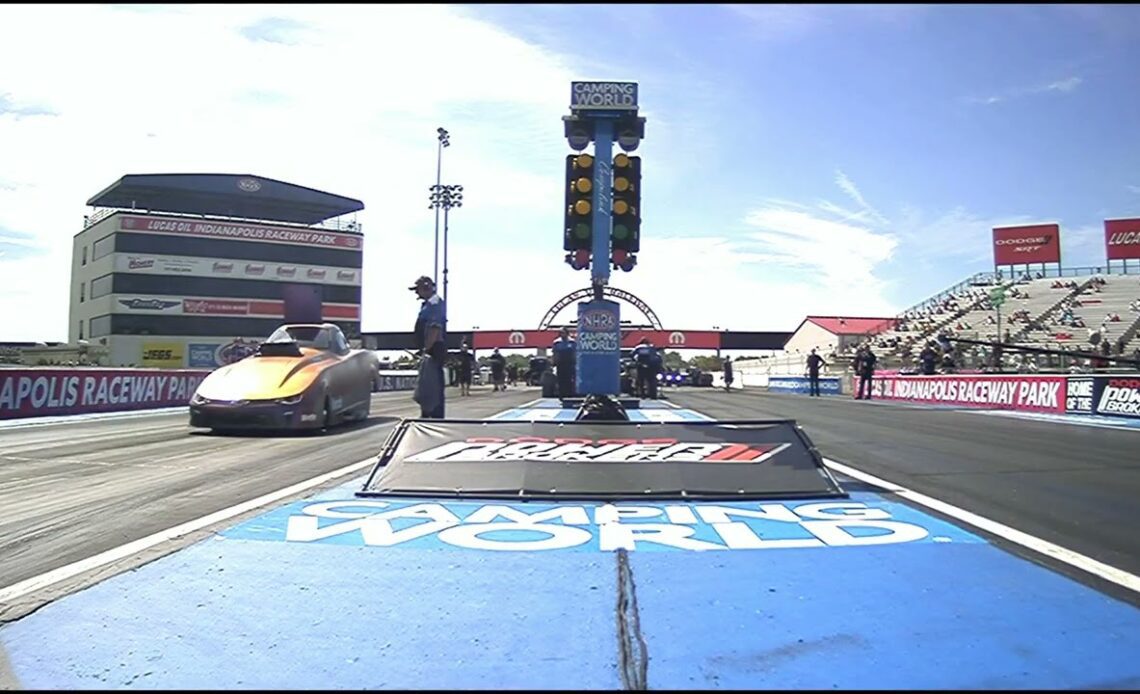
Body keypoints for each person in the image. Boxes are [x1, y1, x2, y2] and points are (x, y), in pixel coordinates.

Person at [409, 275, 446, 418]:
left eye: (418, 289)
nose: (416, 293)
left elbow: (434, 328)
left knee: (432, 383)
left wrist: (427, 348)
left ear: (426, 288)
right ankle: (428, 412)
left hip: (434, 349)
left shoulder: (435, 304)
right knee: (427, 383)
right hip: (431, 348)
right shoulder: (428, 304)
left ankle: (434, 415)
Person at [551, 327, 577, 398]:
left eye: (563, 332)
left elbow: (575, 353)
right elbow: (554, 353)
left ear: (567, 333)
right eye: (561, 333)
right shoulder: (557, 342)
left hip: (570, 364)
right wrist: (554, 362)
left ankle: (570, 394)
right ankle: (562, 395)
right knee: (561, 380)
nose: (562, 334)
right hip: (560, 364)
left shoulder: (572, 342)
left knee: (570, 379)